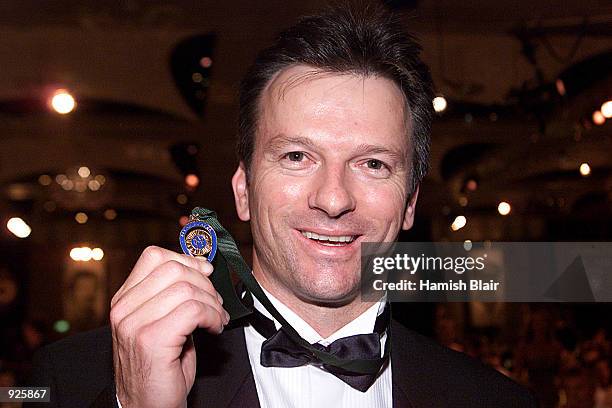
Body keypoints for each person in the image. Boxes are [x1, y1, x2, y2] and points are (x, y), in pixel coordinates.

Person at [26, 4, 535, 407]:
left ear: (409, 203)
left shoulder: (498, 400)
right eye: (296, 156)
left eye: (373, 164)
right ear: (243, 191)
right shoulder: (75, 381)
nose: (333, 199)